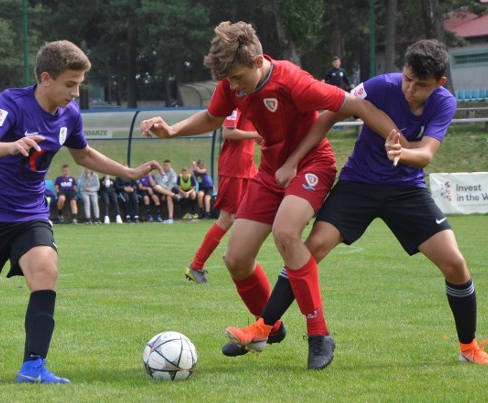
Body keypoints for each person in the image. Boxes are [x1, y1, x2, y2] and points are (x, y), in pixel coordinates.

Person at [225, 39, 488, 366]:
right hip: (358, 184)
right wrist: (296, 158)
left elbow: (426, 154)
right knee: (310, 249)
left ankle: (469, 347)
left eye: (420, 85)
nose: (410, 88)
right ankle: (264, 326)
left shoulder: (444, 103)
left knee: (455, 264)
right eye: (407, 78)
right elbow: (330, 114)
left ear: (439, 83)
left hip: (406, 191)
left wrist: (403, 153)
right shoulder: (379, 86)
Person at [140, 21, 400, 369]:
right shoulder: (232, 83)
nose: (232, 87)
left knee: (286, 234)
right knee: (236, 259)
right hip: (270, 172)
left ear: (258, 60)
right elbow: (213, 116)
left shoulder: (293, 81)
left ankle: (319, 334)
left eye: (237, 78)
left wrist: (400, 140)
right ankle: (269, 327)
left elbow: (355, 105)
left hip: (312, 165)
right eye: (227, 81)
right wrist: (172, 131)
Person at [0, 40, 162, 384]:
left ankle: (33, 366)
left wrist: (130, 172)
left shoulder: (69, 114)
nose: (76, 93)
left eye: (79, 84)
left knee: (46, 268)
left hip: (30, 213)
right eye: (70, 84)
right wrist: (12, 144)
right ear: (46, 78)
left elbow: (83, 154)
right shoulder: (12, 102)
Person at [185, 108, 260, 284]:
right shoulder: (236, 103)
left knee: (253, 214)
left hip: (248, 167)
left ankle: (235, 255)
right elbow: (228, 132)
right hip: (234, 167)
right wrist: (255, 133)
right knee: (227, 218)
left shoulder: (251, 100)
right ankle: (196, 265)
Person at [152, 159, 178, 224]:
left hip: (171, 190)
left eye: (167, 165)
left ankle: (170, 217)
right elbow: (159, 183)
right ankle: (174, 195)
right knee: (155, 187)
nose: (166, 166)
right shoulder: (159, 173)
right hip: (162, 190)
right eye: (165, 165)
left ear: (170, 166)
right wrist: (164, 193)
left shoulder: (173, 173)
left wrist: (164, 194)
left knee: (169, 196)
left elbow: (172, 184)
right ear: (163, 165)